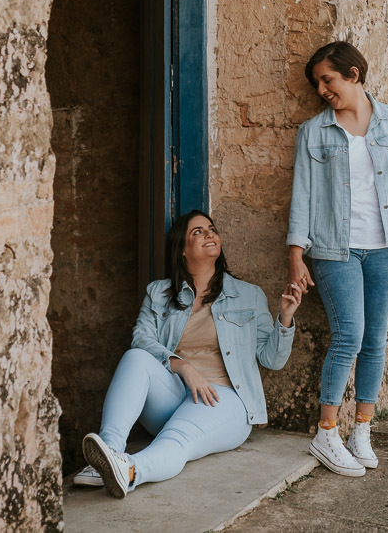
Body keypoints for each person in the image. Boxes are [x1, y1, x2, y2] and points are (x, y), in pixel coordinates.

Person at [76, 209, 302, 497]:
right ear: (182, 249)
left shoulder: (249, 295)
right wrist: (183, 367)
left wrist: (285, 319)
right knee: (136, 358)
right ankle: (107, 453)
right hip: (173, 394)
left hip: (223, 399)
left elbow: (272, 360)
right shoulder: (159, 293)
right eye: (198, 232)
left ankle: (130, 469)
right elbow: (141, 339)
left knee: (177, 438)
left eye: (212, 229)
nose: (209, 234)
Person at [287, 41, 388, 477]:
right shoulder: (314, 131)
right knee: (349, 335)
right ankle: (326, 432)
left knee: (375, 340)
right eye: (317, 84)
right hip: (334, 248)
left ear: (353, 73)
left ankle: (361, 429)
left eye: (327, 79)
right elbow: (303, 196)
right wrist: (296, 255)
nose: (322, 90)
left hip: (386, 245)